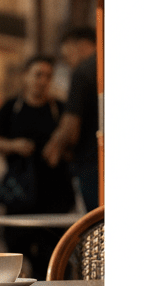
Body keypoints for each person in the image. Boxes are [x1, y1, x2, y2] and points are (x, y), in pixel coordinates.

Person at [0, 55, 76, 278]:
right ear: (26, 77)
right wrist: (14, 146)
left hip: (54, 188)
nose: (43, 80)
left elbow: (73, 144)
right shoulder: (11, 107)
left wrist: (59, 149)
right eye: (38, 74)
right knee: (16, 241)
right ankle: (31, 281)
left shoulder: (60, 108)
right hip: (20, 188)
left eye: (48, 76)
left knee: (52, 247)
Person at [44, 26, 99, 211]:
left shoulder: (83, 72)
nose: (68, 62)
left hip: (92, 163)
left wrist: (55, 147)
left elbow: (71, 126)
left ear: (80, 45)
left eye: (67, 56)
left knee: (97, 221)